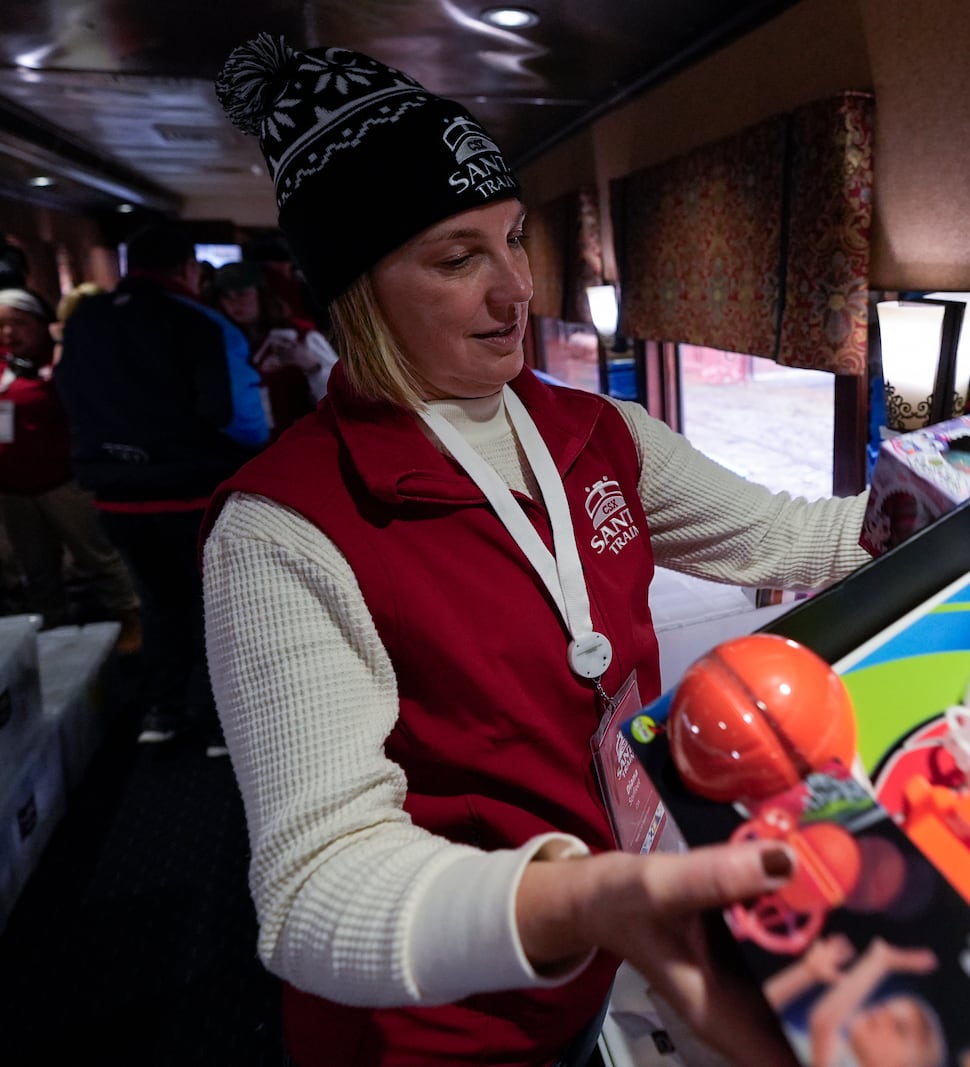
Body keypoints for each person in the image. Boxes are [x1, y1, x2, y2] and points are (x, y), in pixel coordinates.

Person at [204, 34, 872, 1067]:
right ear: (356, 289)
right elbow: (311, 894)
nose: (517, 288)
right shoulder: (281, 528)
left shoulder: (598, 433)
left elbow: (794, 536)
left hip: (587, 959)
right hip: (434, 1025)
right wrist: (585, 895)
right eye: (457, 256)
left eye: (513, 238)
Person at [54, 223, 269, 750]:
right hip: (192, 493)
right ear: (188, 270)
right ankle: (224, 724)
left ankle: (163, 711)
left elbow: (67, 396)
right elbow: (243, 423)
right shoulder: (202, 323)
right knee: (218, 608)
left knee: (158, 603)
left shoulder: (84, 322)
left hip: (115, 497)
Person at [0, 289, 143, 650]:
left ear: (39, 322)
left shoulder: (64, 361)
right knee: (36, 567)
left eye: (17, 323)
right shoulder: (4, 366)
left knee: (98, 557)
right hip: (14, 488)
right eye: (1, 325)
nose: (9, 333)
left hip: (64, 481)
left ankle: (131, 618)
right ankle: (50, 631)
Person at [764, 935, 945, 1067]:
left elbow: (824, 1021)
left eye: (899, 1027)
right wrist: (808, 971)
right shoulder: (811, 1045)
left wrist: (880, 961)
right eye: (887, 1005)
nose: (883, 1012)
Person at [212, 260, 338, 434]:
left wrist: (312, 366)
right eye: (226, 296)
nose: (234, 303)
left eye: (242, 293)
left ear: (261, 294)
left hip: (296, 444)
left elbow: (342, 394)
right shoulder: (225, 344)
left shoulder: (300, 336)